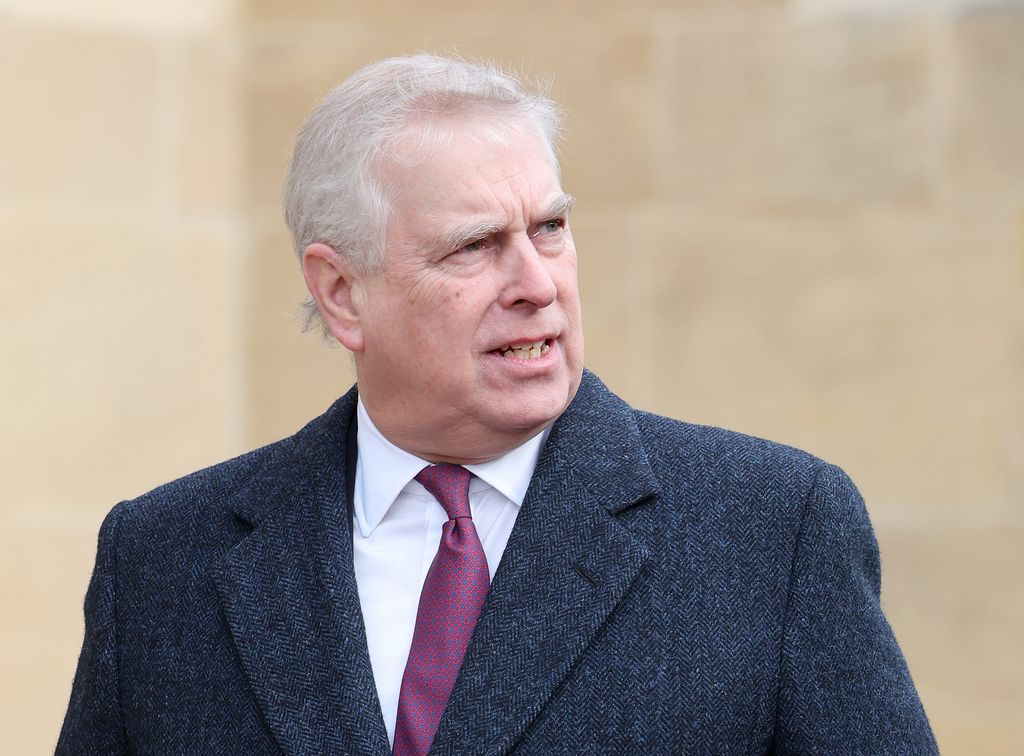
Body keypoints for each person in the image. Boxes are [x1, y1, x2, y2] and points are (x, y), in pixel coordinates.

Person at [57, 54, 937, 755]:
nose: (536, 283)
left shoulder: (773, 528)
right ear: (341, 293)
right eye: (475, 246)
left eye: (549, 228)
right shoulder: (161, 559)